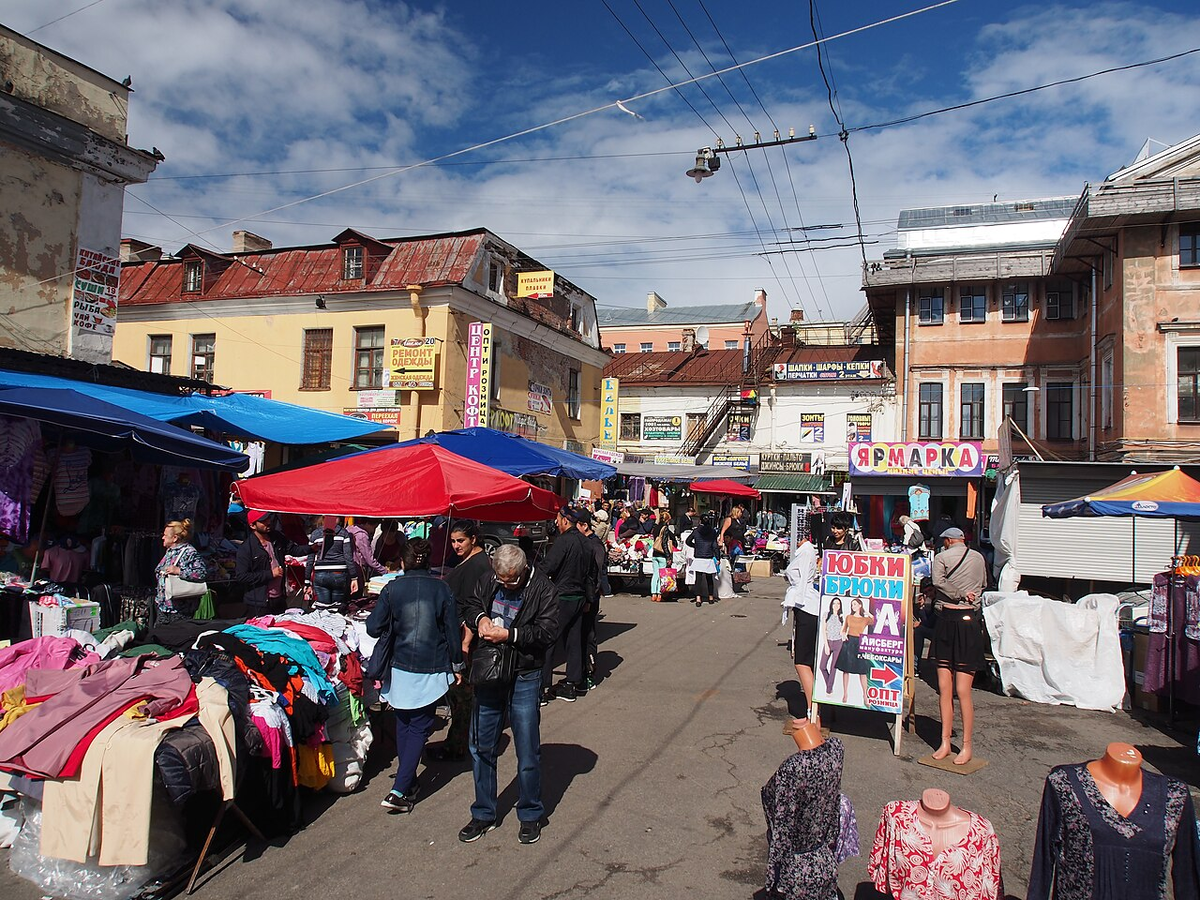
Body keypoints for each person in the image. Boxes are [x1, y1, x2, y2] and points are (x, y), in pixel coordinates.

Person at [460, 545, 558, 845]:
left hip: (525, 674)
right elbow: (470, 603)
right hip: (490, 669)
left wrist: (510, 635)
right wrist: (480, 620)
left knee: (527, 747)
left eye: (511, 580)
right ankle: (483, 812)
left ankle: (530, 814)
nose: (505, 584)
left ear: (524, 569)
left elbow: (548, 631)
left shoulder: (543, 588)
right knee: (481, 745)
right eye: (501, 579)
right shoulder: (490, 579)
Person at [367, 539, 464, 813]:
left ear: (402, 562)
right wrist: (458, 666)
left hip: (400, 666)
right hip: (432, 667)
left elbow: (374, 627)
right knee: (417, 726)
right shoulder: (442, 588)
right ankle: (400, 788)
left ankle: (404, 784)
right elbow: (452, 633)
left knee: (406, 723)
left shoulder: (392, 588)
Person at [428, 521, 495, 763]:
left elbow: (473, 608)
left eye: (460, 541)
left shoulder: (477, 565)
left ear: (474, 539)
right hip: (458, 635)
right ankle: (461, 740)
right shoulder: (470, 561)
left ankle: (457, 744)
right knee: (461, 693)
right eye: (454, 540)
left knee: (462, 693)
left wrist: (465, 643)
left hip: (464, 639)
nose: (456, 545)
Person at [930, 527, 988, 765]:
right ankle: (963, 745)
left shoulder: (942, 558)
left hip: (947, 618)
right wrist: (969, 597)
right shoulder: (979, 558)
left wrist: (957, 594)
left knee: (947, 688)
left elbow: (936, 582)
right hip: (968, 621)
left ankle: (947, 742)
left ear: (949, 541)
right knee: (963, 691)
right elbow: (983, 585)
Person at [540, 507, 596, 702]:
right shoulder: (586, 542)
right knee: (574, 641)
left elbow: (548, 567)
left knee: (548, 640)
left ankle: (544, 687)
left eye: (558, 519)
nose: (556, 523)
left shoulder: (564, 541)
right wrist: (589, 599)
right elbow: (592, 575)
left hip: (562, 596)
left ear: (565, 521)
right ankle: (572, 684)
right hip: (579, 597)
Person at [782, 528, 821, 715]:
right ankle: (813, 710)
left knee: (802, 662)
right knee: (804, 661)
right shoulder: (806, 552)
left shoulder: (806, 552)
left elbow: (804, 577)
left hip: (806, 607)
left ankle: (813, 711)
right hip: (804, 607)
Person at [235, 510, 303, 615]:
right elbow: (242, 576)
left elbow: (294, 549)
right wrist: (270, 574)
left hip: (279, 599)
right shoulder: (246, 549)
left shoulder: (276, 538)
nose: (268, 522)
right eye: (263, 521)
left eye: (268, 519)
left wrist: (313, 548)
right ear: (253, 525)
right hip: (259, 603)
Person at [154, 519, 207, 626]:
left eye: (165, 535)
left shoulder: (189, 552)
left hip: (180, 609)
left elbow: (201, 573)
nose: (162, 537)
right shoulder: (170, 551)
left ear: (175, 538)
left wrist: (179, 571)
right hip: (164, 606)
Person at [305, 516, 358, 612]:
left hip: (320, 573)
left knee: (322, 610)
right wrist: (354, 577)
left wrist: (307, 581)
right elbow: (348, 557)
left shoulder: (315, 534)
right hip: (339, 573)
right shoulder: (343, 533)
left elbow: (310, 559)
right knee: (336, 610)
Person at [835, 598, 874, 704]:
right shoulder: (849, 617)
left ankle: (865, 695)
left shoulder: (864, 619)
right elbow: (843, 630)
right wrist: (843, 635)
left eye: (855, 604)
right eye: (852, 605)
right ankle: (845, 693)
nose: (853, 606)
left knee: (862, 671)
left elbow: (873, 620)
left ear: (860, 605)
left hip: (859, 642)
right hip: (849, 641)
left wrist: (867, 612)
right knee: (845, 669)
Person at [685, 512, 720, 607]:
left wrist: (695, 546)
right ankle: (711, 597)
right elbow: (715, 545)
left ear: (700, 521)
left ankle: (698, 598)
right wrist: (718, 557)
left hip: (698, 556)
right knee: (709, 578)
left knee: (698, 579)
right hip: (708, 556)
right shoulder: (712, 531)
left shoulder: (696, 531)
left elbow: (688, 541)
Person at [346, 517, 386, 591]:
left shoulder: (349, 529)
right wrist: (384, 571)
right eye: (374, 527)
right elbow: (369, 559)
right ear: (368, 524)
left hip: (347, 567)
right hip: (357, 569)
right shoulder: (362, 535)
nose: (373, 530)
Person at [649, 511, 677, 603]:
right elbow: (664, 543)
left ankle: (653, 594)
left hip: (655, 553)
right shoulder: (665, 528)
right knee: (662, 575)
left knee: (655, 574)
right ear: (667, 519)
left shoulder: (655, 527)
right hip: (662, 554)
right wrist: (668, 556)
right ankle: (659, 594)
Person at [818, 597, 844, 695]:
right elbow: (824, 630)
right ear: (831, 605)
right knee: (822, 666)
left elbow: (843, 630)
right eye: (834, 603)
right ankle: (829, 684)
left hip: (838, 642)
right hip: (828, 641)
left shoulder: (842, 617)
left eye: (838, 603)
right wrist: (826, 645)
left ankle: (829, 689)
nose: (836, 605)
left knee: (834, 667)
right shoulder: (826, 615)